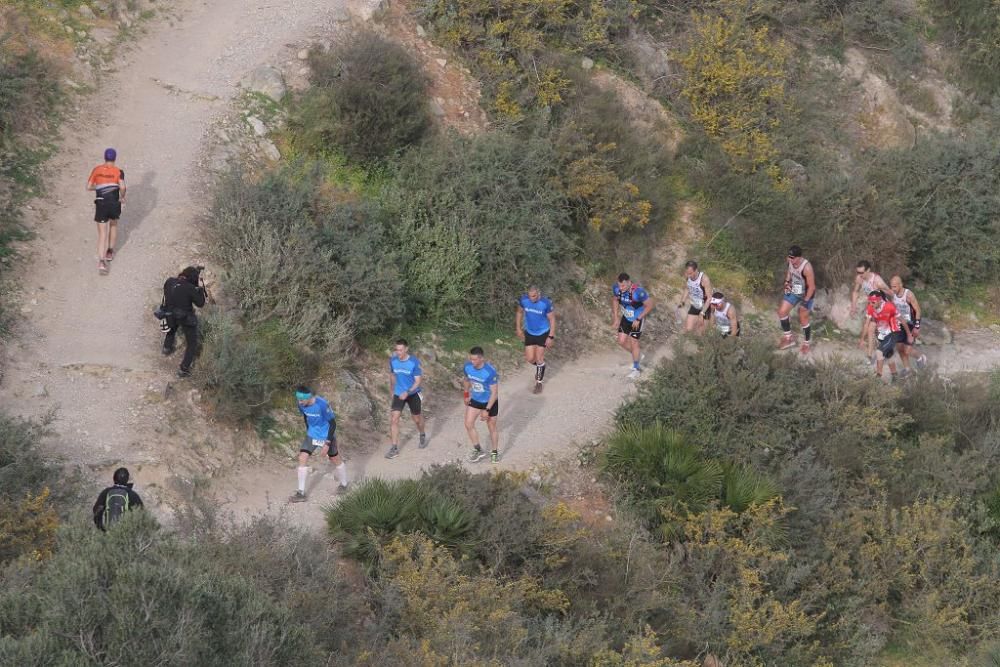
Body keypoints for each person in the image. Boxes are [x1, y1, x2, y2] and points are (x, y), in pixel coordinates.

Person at [291, 386, 347, 502]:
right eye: (298, 400)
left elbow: (333, 424)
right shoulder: (302, 405)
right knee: (302, 457)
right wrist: (308, 431)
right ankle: (301, 493)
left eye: (301, 400)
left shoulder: (322, 404)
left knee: (335, 459)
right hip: (312, 434)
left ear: (309, 397)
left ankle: (344, 484)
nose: (299, 402)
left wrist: (327, 443)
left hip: (326, 435)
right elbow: (306, 417)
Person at [384, 339, 427, 459]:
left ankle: (422, 434)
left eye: (401, 350)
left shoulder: (414, 362)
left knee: (417, 419)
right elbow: (392, 374)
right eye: (396, 350)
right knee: (394, 419)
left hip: (412, 393)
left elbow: (418, 381)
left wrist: (407, 392)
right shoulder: (393, 361)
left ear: (406, 349)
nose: (398, 352)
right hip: (399, 393)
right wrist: (392, 389)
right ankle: (394, 448)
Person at [86, 148, 126, 275]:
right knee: (113, 225)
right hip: (114, 203)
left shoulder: (97, 170)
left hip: (101, 203)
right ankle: (110, 251)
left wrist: (99, 187)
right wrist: (122, 196)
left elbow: (88, 187)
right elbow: (123, 187)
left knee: (102, 233)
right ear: (115, 158)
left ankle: (102, 262)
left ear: (105, 157)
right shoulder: (119, 171)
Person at [161, 266, 206, 377]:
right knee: (192, 343)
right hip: (185, 317)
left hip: (170, 313)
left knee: (172, 329)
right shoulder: (189, 288)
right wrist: (200, 290)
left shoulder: (170, 281)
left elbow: (170, 293)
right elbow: (200, 303)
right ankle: (184, 369)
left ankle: (167, 348)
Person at [612, 273, 656, 379]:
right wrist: (616, 317)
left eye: (623, 285)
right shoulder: (617, 288)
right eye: (619, 285)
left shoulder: (638, 292)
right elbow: (615, 300)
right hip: (626, 318)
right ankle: (638, 355)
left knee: (634, 342)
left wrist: (639, 318)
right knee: (621, 341)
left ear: (628, 282)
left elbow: (650, 305)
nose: (621, 288)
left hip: (637, 319)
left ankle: (636, 369)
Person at [515, 286, 556, 393]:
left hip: (543, 333)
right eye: (529, 296)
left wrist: (550, 337)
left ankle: (539, 382)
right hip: (529, 332)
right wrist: (518, 328)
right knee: (530, 358)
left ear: (539, 294)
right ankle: (540, 366)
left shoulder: (545, 303)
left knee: (538, 357)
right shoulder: (524, 300)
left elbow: (552, 319)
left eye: (533, 296)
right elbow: (519, 312)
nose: (531, 298)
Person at [863, 290, 910, 381]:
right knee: (889, 356)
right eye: (869, 302)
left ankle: (878, 377)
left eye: (873, 302)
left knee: (879, 352)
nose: (871, 304)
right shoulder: (871, 307)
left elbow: (902, 320)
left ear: (880, 300)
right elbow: (868, 323)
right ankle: (895, 377)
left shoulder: (890, 307)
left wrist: (909, 335)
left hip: (894, 332)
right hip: (883, 334)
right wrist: (862, 339)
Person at [463, 346, 499, 463]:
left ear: (481, 359)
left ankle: (494, 452)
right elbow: (467, 380)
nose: (472, 362)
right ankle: (478, 449)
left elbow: (494, 393)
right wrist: (466, 394)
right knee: (468, 424)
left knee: (491, 427)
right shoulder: (468, 367)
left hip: (490, 402)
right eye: (471, 359)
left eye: (474, 360)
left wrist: (487, 410)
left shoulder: (490, 372)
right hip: (476, 400)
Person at [777, 245, 816, 354]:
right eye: (789, 256)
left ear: (799, 257)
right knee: (782, 311)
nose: (790, 259)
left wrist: (805, 301)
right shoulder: (790, 261)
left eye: (792, 257)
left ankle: (806, 343)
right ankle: (789, 338)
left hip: (807, 293)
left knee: (803, 317)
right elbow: (789, 272)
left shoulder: (807, 267)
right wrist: (787, 282)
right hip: (795, 290)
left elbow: (812, 287)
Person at [850, 260, 890, 365]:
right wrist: (853, 306)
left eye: (861, 272)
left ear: (868, 270)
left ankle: (887, 352)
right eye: (858, 272)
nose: (859, 275)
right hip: (873, 307)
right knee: (870, 330)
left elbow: (890, 292)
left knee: (881, 333)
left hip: (883, 308)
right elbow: (855, 291)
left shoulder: (877, 281)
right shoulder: (859, 278)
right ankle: (869, 356)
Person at [890, 275, 925, 374]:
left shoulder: (909, 295)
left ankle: (920, 357)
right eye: (891, 286)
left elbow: (918, 310)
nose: (893, 289)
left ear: (901, 285)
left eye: (895, 287)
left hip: (911, 323)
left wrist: (917, 327)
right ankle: (907, 369)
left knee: (907, 350)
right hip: (900, 324)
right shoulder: (893, 294)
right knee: (900, 347)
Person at [93, 467, 143, 531]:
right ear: (127, 479)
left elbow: (97, 510)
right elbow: (141, 512)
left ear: (114, 478)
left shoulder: (106, 492)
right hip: (126, 534)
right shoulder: (132, 494)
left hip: (108, 531)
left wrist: (101, 528)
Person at [677, 261, 712, 334]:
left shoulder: (704, 279)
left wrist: (702, 313)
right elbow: (687, 288)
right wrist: (682, 301)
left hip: (705, 307)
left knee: (700, 333)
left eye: (690, 273)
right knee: (688, 329)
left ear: (696, 270)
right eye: (687, 273)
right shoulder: (687, 277)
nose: (688, 275)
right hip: (695, 305)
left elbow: (709, 298)